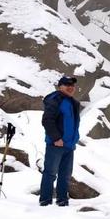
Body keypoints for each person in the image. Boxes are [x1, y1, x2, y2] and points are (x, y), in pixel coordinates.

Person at [40, 76, 81, 206]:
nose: (70, 87)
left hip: (69, 145)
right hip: (56, 144)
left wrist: (74, 140)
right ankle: (45, 201)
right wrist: (56, 138)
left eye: (72, 85)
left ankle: (62, 201)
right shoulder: (55, 99)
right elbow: (47, 120)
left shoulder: (72, 102)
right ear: (60, 86)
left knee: (65, 175)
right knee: (50, 173)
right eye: (66, 84)